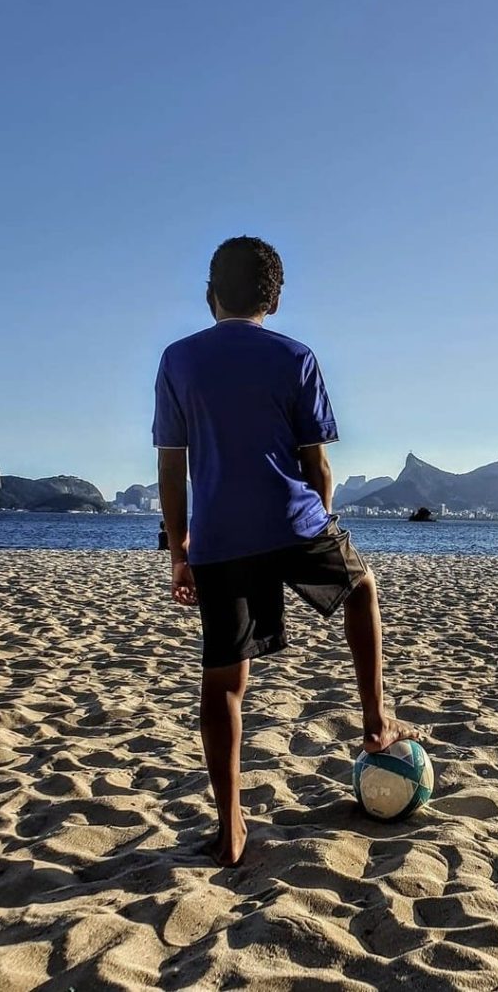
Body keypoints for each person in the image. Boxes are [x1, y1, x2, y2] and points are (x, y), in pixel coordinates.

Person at [154, 236, 417, 867]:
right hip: (294, 523)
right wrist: (319, 519)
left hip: (218, 538)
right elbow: (317, 464)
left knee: (224, 682)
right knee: (362, 589)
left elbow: (172, 466)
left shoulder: (178, 360)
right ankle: (378, 721)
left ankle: (232, 827)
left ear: (210, 293)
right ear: (273, 299)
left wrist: (179, 549)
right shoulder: (295, 356)